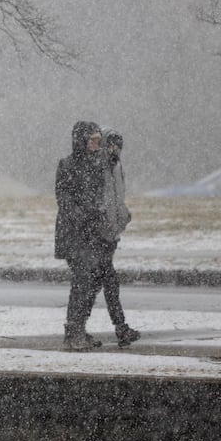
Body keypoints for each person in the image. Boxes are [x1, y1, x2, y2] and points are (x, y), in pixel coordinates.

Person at [54, 120, 111, 351]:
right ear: (82, 140)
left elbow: (102, 196)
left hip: (93, 233)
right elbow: (64, 199)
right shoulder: (67, 165)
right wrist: (84, 216)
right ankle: (73, 331)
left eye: (99, 140)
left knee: (94, 280)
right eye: (92, 140)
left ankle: (80, 327)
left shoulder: (98, 165)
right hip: (74, 234)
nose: (96, 144)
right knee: (82, 280)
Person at [99, 131, 139, 347]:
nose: (114, 150)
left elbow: (117, 199)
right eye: (110, 145)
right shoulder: (99, 168)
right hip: (98, 236)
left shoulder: (116, 167)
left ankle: (120, 327)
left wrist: (122, 218)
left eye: (117, 146)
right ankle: (120, 327)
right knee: (106, 283)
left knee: (105, 284)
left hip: (110, 234)